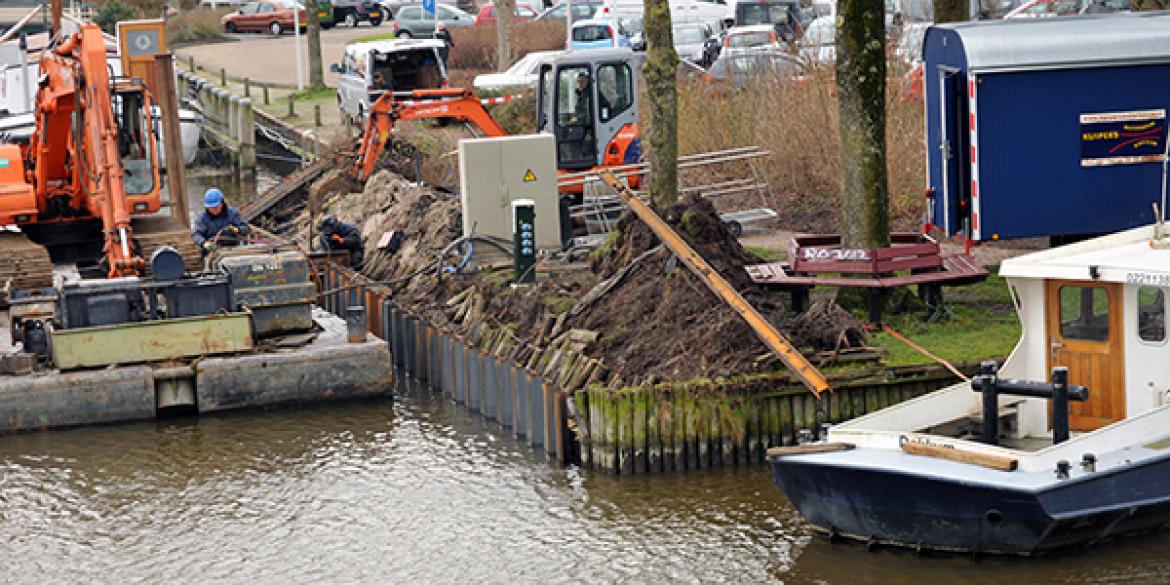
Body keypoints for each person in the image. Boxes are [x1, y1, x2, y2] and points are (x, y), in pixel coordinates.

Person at [192, 188, 251, 254]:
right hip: (212, 251)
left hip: (232, 249)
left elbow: (246, 229)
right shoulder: (202, 218)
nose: (213, 210)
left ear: (222, 203)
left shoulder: (232, 214)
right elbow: (196, 234)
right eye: (211, 208)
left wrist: (237, 229)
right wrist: (204, 243)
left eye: (216, 207)